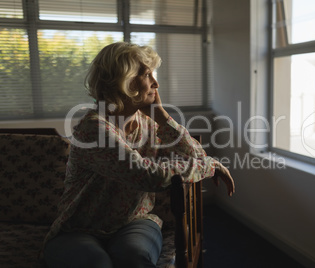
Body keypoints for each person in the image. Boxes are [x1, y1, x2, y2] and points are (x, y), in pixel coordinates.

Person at [43, 42, 235, 268]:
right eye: (147, 75)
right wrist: (211, 166)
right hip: (79, 228)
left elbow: (196, 155)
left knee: (135, 257)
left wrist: (162, 117)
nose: (156, 83)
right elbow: (148, 175)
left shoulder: (149, 125)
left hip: (135, 221)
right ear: (124, 81)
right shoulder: (93, 129)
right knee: (97, 263)